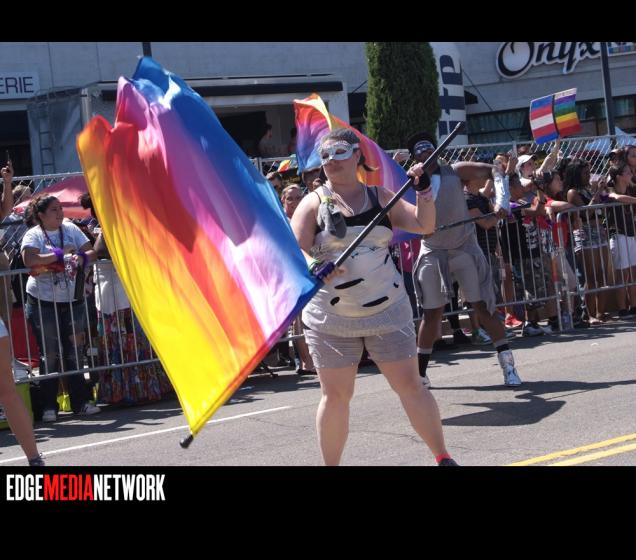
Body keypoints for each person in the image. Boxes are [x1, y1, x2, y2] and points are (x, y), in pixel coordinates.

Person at [291, 128, 457, 466]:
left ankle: (443, 458)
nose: (331, 160)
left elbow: (424, 225)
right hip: (332, 318)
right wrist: (315, 265)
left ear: (357, 155)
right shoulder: (312, 203)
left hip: (387, 309)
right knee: (336, 397)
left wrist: (424, 191)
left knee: (411, 385)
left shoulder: (381, 196)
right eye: (325, 155)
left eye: (339, 152)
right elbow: (295, 251)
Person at [407, 131, 522, 387]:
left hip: (463, 247)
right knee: (431, 314)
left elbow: (494, 170)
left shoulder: (455, 171)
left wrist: (502, 200)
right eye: (419, 151)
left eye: (429, 148)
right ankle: (420, 376)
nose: (425, 152)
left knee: (483, 308)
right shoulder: (411, 180)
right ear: (415, 157)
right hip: (433, 250)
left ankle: (509, 367)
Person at [21, 194, 101, 422]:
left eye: (60, 208)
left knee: (74, 352)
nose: (59, 213)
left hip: (73, 300)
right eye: (54, 210)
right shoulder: (33, 234)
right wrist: (57, 256)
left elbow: (91, 251)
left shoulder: (71, 229)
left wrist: (80, 259)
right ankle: (49, 406)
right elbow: (29, 260)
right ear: (41, 215)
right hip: (43, 302)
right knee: (50, 354)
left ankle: (81, 402)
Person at [606, 162, 636, 316]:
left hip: (631, 234)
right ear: (619, 176)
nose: (631, 174)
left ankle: (634, 305)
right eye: (627, 172)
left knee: (633, 272)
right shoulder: (611, 191)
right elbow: (616, 197)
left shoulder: (631, 190)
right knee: (622, 273)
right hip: (618, 234)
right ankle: (622, 308)